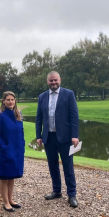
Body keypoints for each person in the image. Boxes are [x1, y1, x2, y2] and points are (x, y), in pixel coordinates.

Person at [35, 71, 79, 208]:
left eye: (55, 80)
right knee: (52, 166)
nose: (53, 83)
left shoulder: (68, 94)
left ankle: (72, 194)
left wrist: (75, 135)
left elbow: (74, 116)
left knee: (68, 167)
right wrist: (39, 136)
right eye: (51, 81)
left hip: (65, 138)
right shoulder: (42, 97)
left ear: (60, 80)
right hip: (49, 137)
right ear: (47, 82)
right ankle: (57, 191)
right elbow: (39, 118)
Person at [0, 91, 25, 212]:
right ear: (3, 101)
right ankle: (5, 202)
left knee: (12, 177)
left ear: (15, 100)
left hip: (17, 151)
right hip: (5, 151)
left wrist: (22, 145)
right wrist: (3, 148)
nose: (10, 102)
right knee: (4, 177)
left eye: (12, 99)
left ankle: (11, 199)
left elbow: (21, 132)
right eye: (8, 100)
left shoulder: (18, 114)